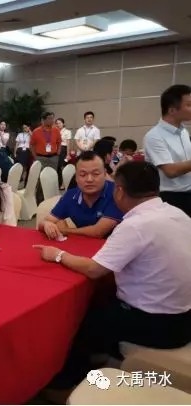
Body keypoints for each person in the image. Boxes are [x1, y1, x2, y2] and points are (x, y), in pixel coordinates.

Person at [34, 161, 191, 389]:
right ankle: (100, 356)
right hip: (184, 317)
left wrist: (58, 255)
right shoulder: (178, 214)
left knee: (78, 320)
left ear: (119, 190)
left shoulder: (135, 225)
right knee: (101, 301)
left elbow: (94, 269)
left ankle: (67, 382)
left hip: (158, 324)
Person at [38, 152, 122, 240]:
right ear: (76, 177)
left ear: (105, 174)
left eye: (96, 174)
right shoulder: (71, 196)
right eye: (83, 175)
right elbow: (44, 222)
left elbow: (98, 232)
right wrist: (47, 224)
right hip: (84, 245)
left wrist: (65, 230)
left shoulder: (117, 193)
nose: (89, 179)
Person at [144, 84, 191, 217]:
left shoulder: (183, 132)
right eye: (189, 105)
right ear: (172, 110)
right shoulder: (154, 136)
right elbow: (171, 171)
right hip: (171, 197)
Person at [56, 118, 72, 188]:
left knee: (63, 166)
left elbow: (68, 144)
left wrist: (68, 154)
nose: (58, 125)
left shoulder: (67, 132)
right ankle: (58, 183)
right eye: (57, 123)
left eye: (60, 123)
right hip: (56, 150)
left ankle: (64, 183)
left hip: (63, 149)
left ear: (63, 123)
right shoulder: (55, 131)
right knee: (57, 167)